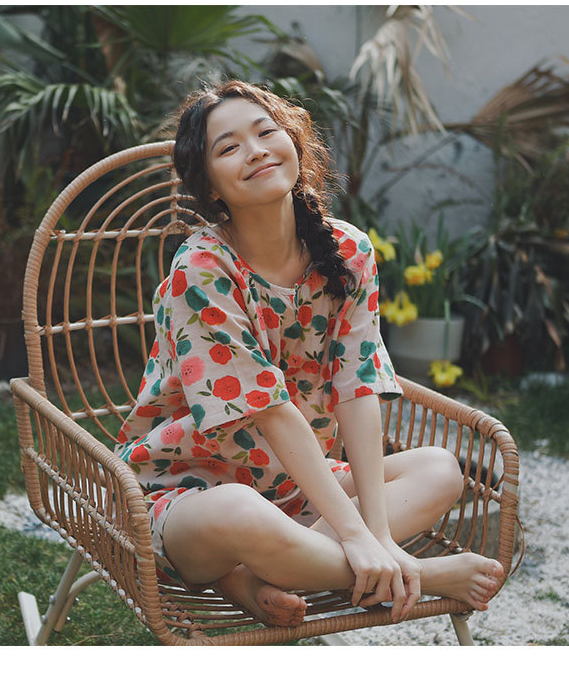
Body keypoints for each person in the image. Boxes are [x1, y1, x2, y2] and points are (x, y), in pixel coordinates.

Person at [116, 80, 504, 627]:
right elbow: (270, 411)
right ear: (210, 188)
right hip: (189, 494)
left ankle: (263, 575)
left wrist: (376, 531)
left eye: (265, 132)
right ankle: (417, 573)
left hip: (300, 485)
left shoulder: (348, 251)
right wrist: (355, 534)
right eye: (229, 148)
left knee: (439, 469)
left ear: (295, 142)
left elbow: (357, 387)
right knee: (240, 511)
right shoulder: (201, 270)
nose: (255, 151)